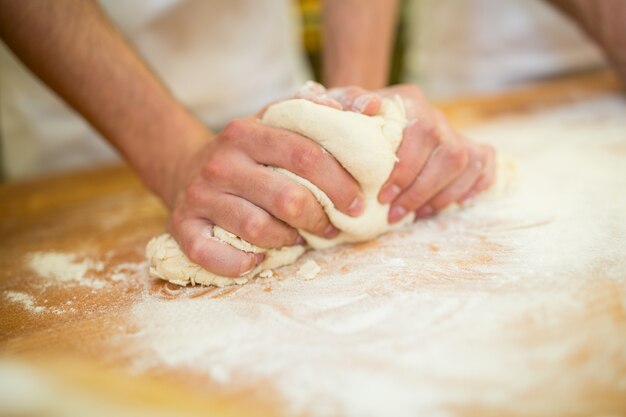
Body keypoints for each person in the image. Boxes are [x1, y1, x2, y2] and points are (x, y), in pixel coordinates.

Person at [0, 1, 622, 279]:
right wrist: (175, 157)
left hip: (260, 80)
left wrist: (359, 117)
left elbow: (341, 127)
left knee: (295, 181)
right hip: (80, 124)